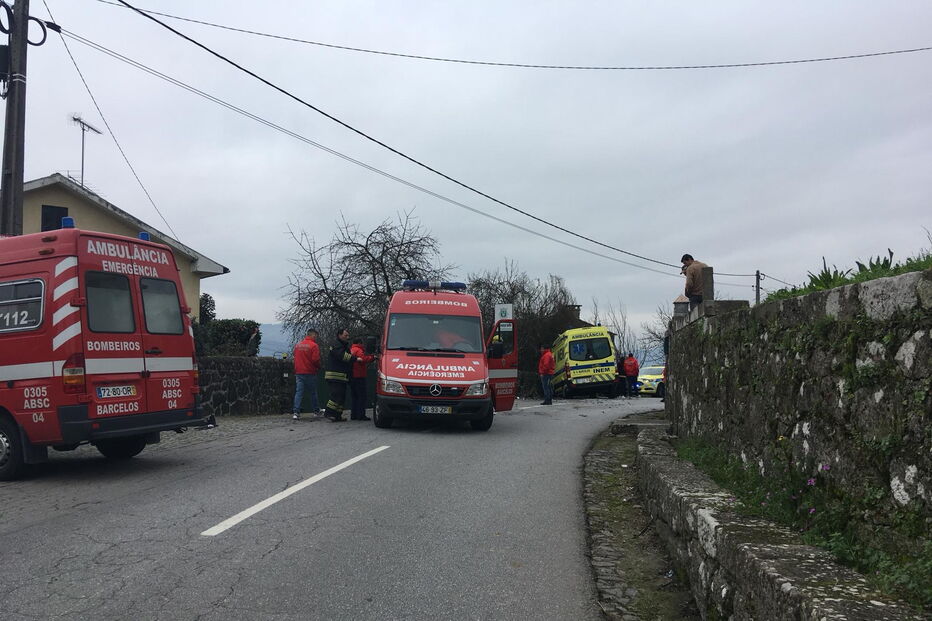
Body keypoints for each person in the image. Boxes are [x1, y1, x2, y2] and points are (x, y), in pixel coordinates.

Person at [324, 327, 360, 422]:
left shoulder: (343, 346)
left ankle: (337, 415)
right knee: (336, 395)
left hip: (341, 376)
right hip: (335, 375)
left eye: (348, 335)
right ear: (339, 335)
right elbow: (342, 356)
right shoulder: (336, 345)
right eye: (345, 335)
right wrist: (355, 359)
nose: (347, 337)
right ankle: (329, 413)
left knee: (341, 396)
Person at [292, 328, 321, 420]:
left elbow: (295, 356)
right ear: (313, 335)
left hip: (299, 372)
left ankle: (296, 412)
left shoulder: (298, 345)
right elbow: (315, 360)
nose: (316, 337)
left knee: (299, 392)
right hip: (310, 372)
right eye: (315, 336)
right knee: (312, 393)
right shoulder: (314, 346)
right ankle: (316, 411)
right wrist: (318, 367)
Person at [349, 337, 375, 421]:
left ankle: (354, 414)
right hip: (359, 376)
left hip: (352, 375)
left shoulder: (351, 350)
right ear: (360, 343)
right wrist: (372, 357)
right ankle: (361, 415)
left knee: (354, 396)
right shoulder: (359, 350)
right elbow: (363, 359)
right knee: (362, 396)